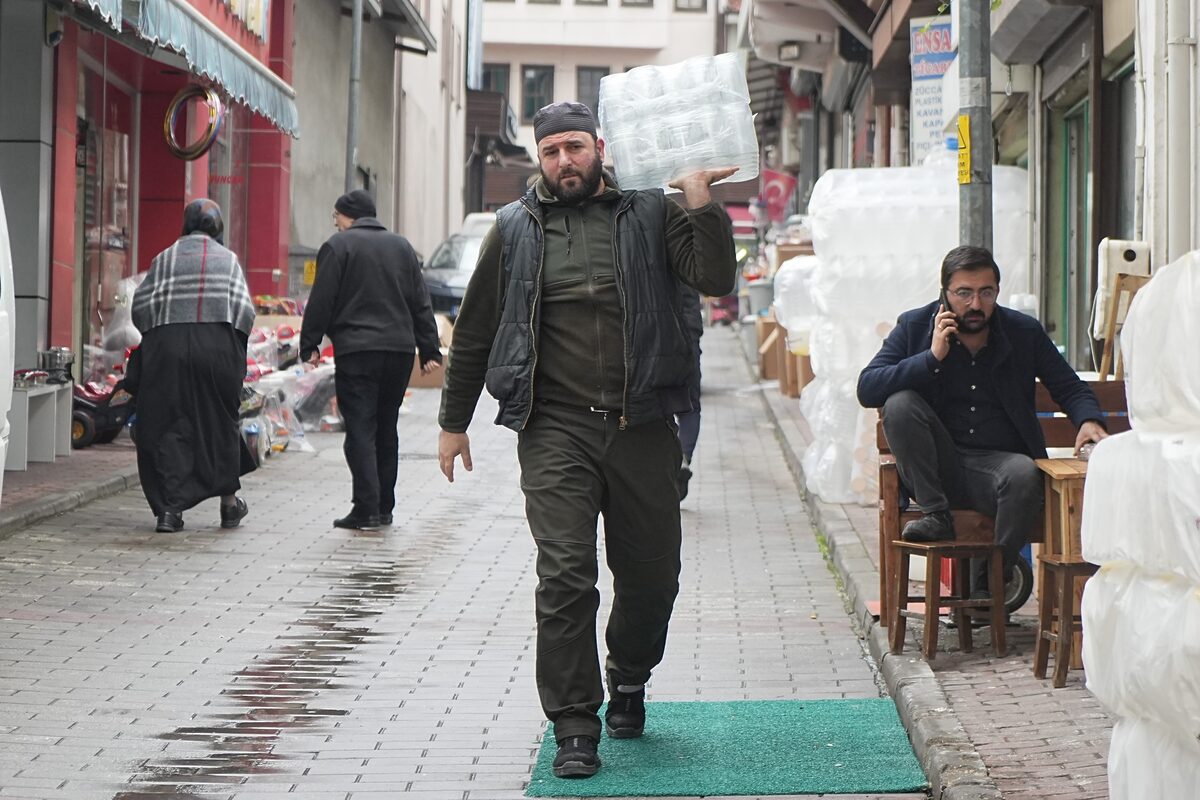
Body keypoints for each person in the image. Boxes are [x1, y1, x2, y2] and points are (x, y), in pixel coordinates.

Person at [436, 100, 737, 779]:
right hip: (555, 429)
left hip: (644, 425)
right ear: (537, 160)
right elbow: (477, 328)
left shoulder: (652, 212)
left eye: (574, 147)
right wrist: (453, 422)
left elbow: (714, 279)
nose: (564, 161)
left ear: (598, 147)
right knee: (565, 576)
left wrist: (698, 202)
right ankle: (575, 721)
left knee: (652, 576)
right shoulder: (514, 229)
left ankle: (629, 674)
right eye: (551, 152)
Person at [856, 245, 1108, 597]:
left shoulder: (1022, 332)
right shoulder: (915, 325)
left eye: (985, 292)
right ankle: (937, 516)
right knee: (899, 403)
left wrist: (1088, 419)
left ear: (997, 292)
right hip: (937, 470)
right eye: (964, 293)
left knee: (1023, 472)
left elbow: (1069, 386)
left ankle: (991, 580)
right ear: (944, 293)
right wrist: (931, 358)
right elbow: (868, 388)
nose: (975, 305)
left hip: (999, 470)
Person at [300, 189, 442, 531]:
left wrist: (310, 344)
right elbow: (420, 301)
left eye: (336, 218)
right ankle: (384, 507)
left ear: (348, 215)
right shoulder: (402, 247)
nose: (335, 225)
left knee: (360, 428)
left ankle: (365, 508)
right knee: (386, 427)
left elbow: (322, 299)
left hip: (357, 351)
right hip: (398, 352)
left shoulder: (338, 247)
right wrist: (430, 350)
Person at [130, 199, 255, 533]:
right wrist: (233, 349)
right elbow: (245, 312)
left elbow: (140, 308)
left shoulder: (164, 258)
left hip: (166, 348)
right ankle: (229, 507)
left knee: (165, 425)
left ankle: (169, 512)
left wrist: (162, 331)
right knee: (220, 422)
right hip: (216, 349)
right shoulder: (227, 260)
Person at [675, 285, 704, 499]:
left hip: (656, 340)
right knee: (690, 408)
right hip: (689, 338)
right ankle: (683, 457)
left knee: (658, 409)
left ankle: (668, 464)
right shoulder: (686, 262)